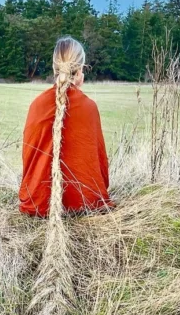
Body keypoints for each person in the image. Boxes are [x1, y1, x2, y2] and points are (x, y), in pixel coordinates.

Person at [19, 36, 114, 218]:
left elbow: (28, 160)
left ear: (55, 69)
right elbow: (101, 165)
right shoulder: (89, 107)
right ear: (79, 71)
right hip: (85, 202)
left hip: (38, 204)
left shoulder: (37, 105)